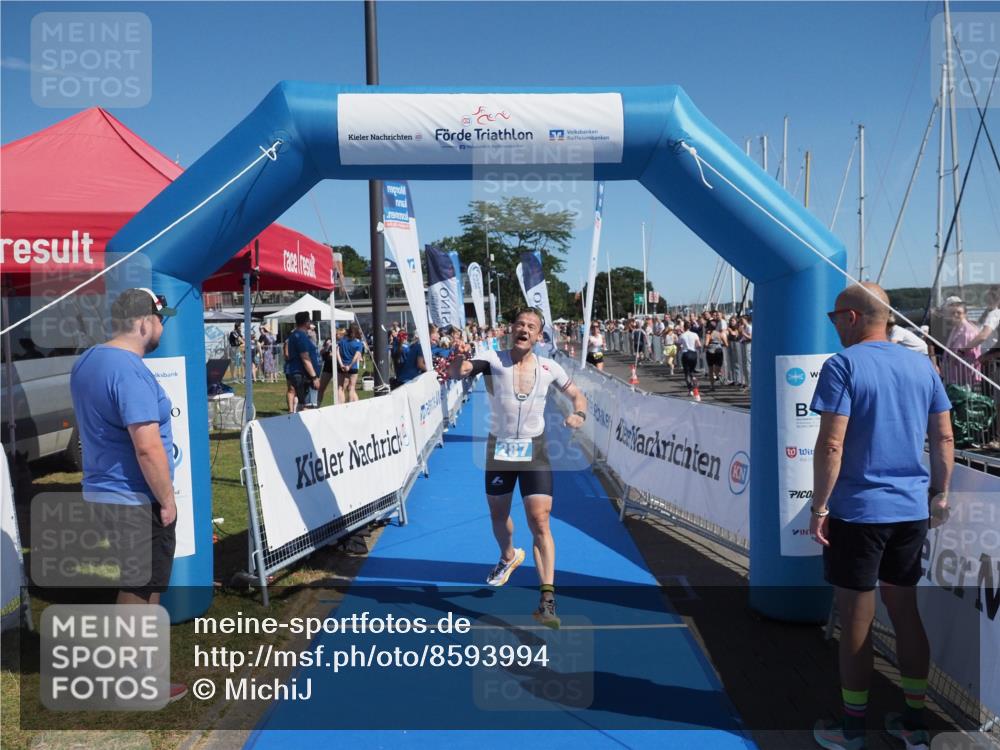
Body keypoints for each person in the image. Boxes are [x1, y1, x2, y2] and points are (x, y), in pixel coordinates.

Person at [809, 283, 953, 750]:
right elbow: (944, 439)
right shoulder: (922, 364)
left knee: (855, 616)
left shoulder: (843, 366)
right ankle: (914, 721)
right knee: (905, 610)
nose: (833, 328)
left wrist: (819, 507)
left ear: (852, 317)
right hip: (911, 510)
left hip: (859, 512)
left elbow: (832, 444)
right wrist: (940, 492)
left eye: (834, 319)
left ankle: (853, 729)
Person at [69, 287, 187, 702]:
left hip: (104, 491)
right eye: (160, 320)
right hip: (134, 496)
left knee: (139, 584)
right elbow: (147, 445)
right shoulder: (130, 370)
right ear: (143, 322)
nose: (162, 328)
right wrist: (167, 499)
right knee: (140, 589)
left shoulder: (87, 361)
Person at [449, 307, 588, 629]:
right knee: (499, 515)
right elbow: (462, 370)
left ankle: (547, 600)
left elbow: (578, 396)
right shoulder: (493, 359)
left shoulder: (549, 367)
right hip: (500, 449)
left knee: (540, 520)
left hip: (534, 449)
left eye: (531, 326)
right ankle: (509, 555)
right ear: (511, 330)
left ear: (539, 336)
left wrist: (578, 414)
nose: (524, 329)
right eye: (519, 324)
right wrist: (458, 358)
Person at [284, 311, 322, 412]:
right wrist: (314, 377)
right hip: (304, 375)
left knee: (303, 403)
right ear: (306, 322)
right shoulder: (301, 336)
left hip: (300, 374)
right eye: (309, 320)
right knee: (308, 406)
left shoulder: (295, 335)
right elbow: (305, 358)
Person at [942, 302, 981, 386]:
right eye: (953, 313)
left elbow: (959, 352)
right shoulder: (956, 328)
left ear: (965, 314)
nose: (955, 315)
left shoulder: (968, 330)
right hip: (956, 372)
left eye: (959, 313)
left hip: (964, 374)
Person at [337, 322, 365, 402]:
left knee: (340, 387)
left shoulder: (342, 340)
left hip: (342, 366)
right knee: (352, 387)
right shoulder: (358, 342)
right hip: (352, 367)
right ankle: (350, 404)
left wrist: (341, 364)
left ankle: (340, 406)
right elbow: (357, 356)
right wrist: (350, 365)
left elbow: (337, 352)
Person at [678, 322, 702, 398]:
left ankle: (690, 390)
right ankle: (694, 379)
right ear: (690, 327)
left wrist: (679, 351)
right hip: (693, 353)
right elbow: (699, 345)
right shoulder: (695, 334)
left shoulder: (682, 335)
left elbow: (679, 345)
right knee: (692, 371)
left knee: (686, 373)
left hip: (686, 353)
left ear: (684, 327)